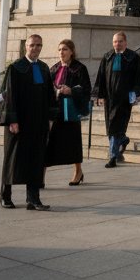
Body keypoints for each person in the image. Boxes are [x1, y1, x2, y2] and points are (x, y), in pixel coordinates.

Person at [1, 33, 56, 211]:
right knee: (12, 158)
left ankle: (33, 199)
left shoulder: (44, 68)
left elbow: (50, 96)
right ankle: (5, 195)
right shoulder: (16, 68)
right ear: (26, 46)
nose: (35, 49)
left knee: (36, 159)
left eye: (39, 45)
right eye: (32, 45)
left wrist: (50, 118)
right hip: (19, 122)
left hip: (38, 122)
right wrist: (13, 119)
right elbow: (9, 95)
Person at [92, 31, 140, 166]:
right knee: (111, 125)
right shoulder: (107, 57)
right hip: (110, 98)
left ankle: (112, 157)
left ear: (125, 42)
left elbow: (139, 77)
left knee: (116, 125)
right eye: (115, 41)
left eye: (120, 41)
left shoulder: (133, 57)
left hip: (124, 98)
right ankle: (123, 140)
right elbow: (101, 77)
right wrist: (100, 95)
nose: (117, 44)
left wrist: (137, 93)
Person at [45, 39, 92, 186]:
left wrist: (71, 90)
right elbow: (46, 89)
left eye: (65, 49)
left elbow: (86, 89)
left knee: (73, 142)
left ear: (71, 51)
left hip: (70, 111)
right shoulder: (53, 69)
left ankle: (78, 171)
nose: (61, 52)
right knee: (48, 142)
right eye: (59, 49)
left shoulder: (79, 68)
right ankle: (41, 175)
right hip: (54, 111)